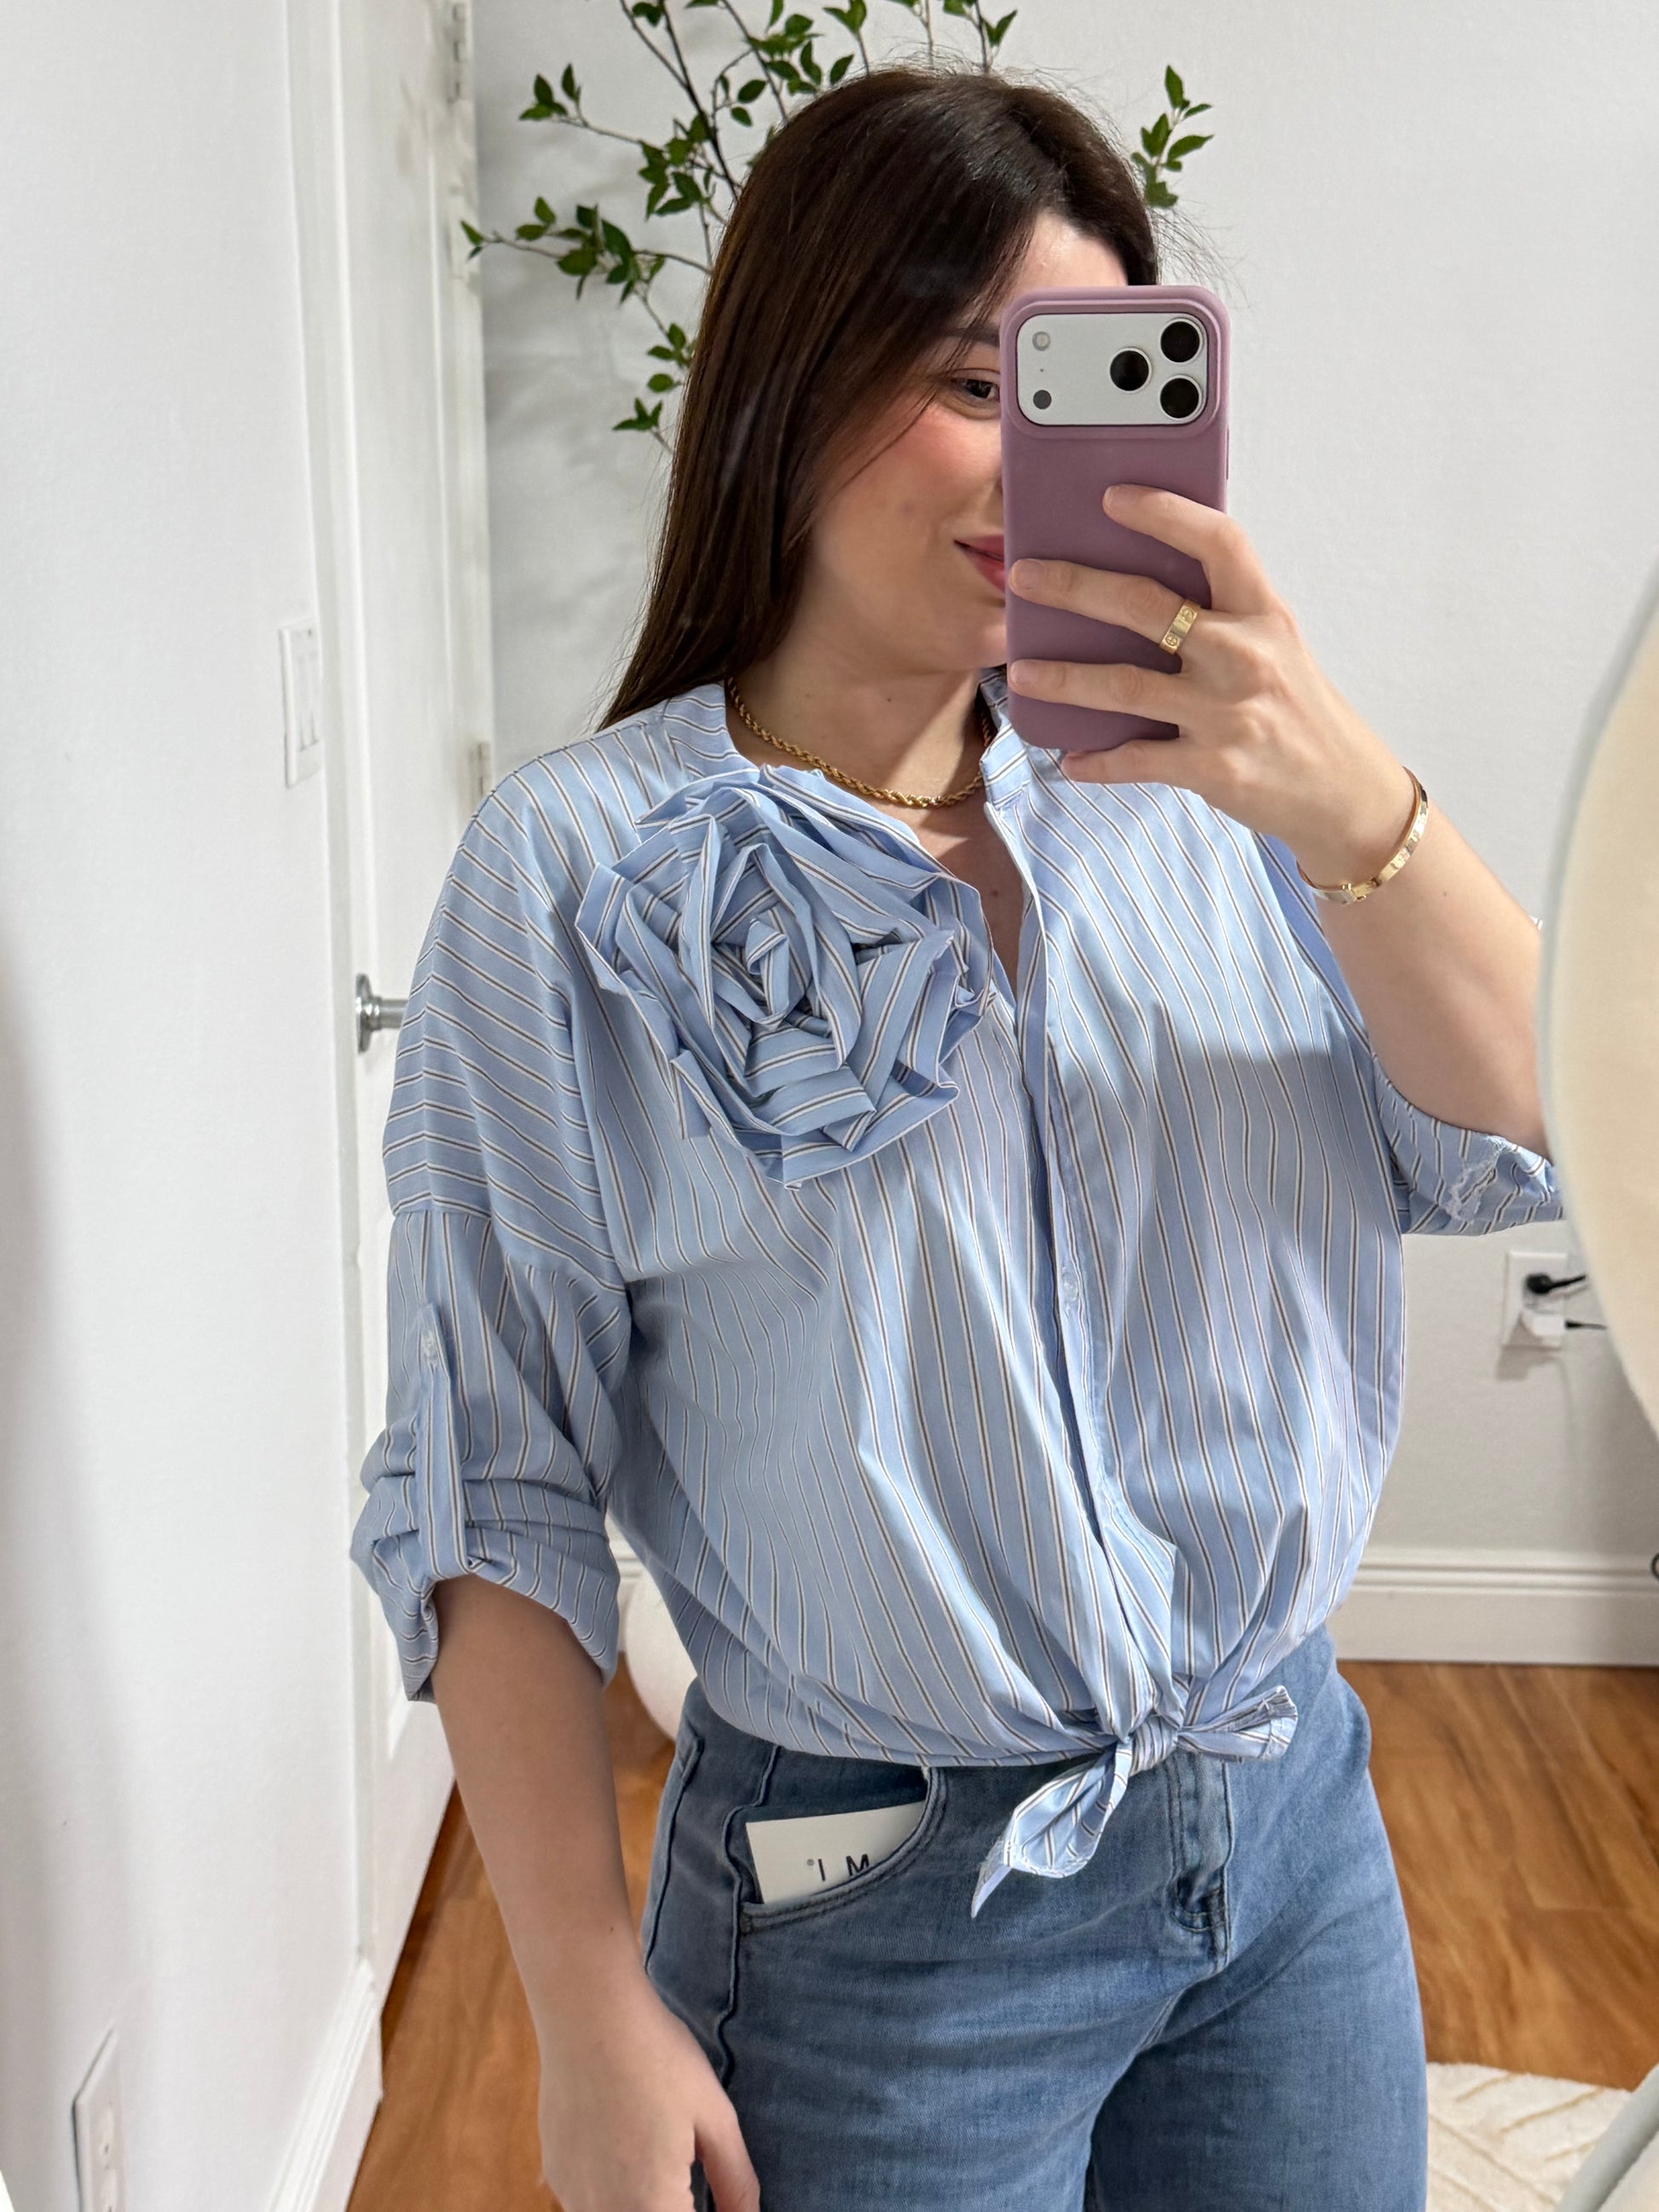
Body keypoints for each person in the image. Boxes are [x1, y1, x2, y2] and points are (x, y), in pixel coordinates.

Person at [350, 63, 1560, 2212]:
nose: (1035, 459)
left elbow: (1528, 1129)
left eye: (1091, 387)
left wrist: (1347, 795)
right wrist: (581, 1998)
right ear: (788, 379)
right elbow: (491, 1472)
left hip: (1283, 1827)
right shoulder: (575, 873)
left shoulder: (1233, 807)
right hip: (878, 1918)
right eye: (968, 381)